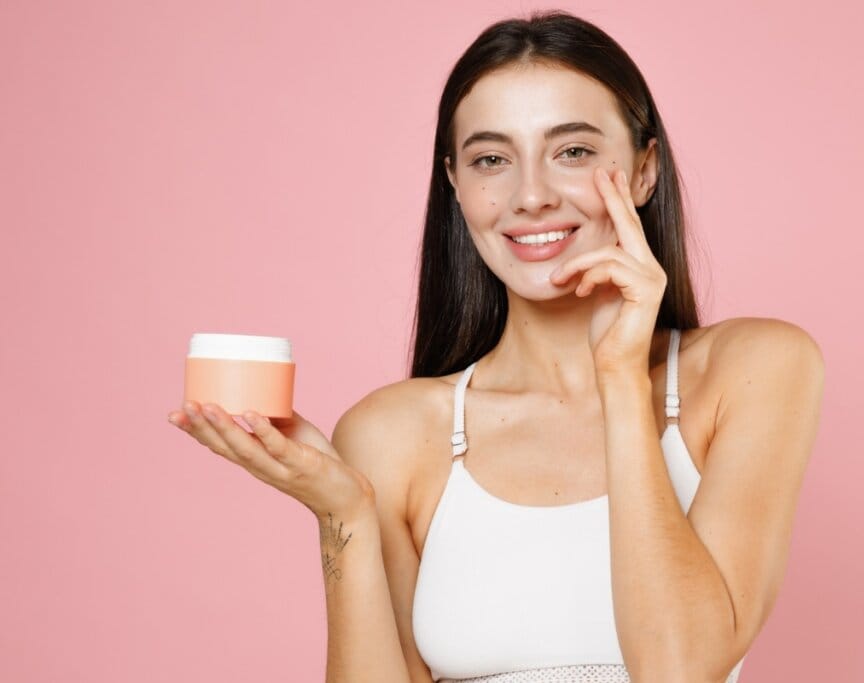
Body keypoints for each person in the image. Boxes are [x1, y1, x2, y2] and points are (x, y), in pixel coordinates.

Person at [167, 10, 824, 683]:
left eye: (573, 151)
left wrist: (620, 374)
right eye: (491, 159)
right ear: (456, 184)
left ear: (644, 169)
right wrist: (346, 513)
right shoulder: (393, 432)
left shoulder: (752, 370)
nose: (531, 195)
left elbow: (679, 668)